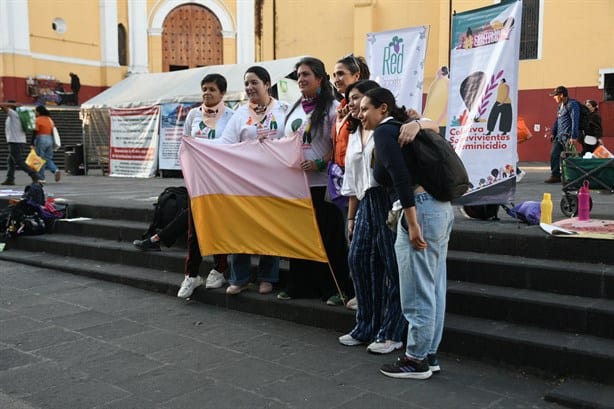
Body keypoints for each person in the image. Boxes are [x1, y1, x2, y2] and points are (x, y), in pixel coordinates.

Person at [361, 87, 454, 379]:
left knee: (417, 289)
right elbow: (432, 125)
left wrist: (412, 223)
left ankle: (415, 360)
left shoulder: (385, 133)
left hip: (419, 209)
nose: (361, 114)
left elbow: (401, 177)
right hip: (439, 208)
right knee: (434, 285)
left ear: (383, 109)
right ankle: (429, 354)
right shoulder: (404, 128)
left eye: (366, 109)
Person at [133, 74, 234, 297]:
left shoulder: (231, 117)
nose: (207, 93)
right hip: (197, 182)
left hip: (220, 183)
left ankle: (219, 269)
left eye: (212, 90)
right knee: (194, 229)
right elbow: (186, 145)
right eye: (204, 89)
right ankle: (191, 275)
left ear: (222, 93)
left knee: (218, 226)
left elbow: (233, 149)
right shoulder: (193, 115)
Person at [337, 80, 406, 355]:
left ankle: (392, 332)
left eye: (357, 98)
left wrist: (416, 124)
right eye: (350, 99)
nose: (352, 104)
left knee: (393, 267)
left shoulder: (390, 127)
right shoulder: (355, 132)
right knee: (359, 261)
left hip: (388, 200)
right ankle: (366, 325)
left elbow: (424, 124)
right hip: (365, 202)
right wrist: (351, 219)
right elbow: (353, 182)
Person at [279, 57, 354, 306]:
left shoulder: (334, 108)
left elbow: (342, 145)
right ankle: (300, 284)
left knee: (329, 236)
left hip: (324, 184)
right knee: (300, 236)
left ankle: (337, 287)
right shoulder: (293, 108)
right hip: (297, 185)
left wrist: (320, 162)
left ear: (320, 79)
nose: (301, 79)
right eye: (298, 75)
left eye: (306, 75)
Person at [214, 66, 289, 295]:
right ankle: (240, 278)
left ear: (267, 84)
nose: (249, 87)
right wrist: (199, 145)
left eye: (254, 82)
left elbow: (292, 139)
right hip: (244, 183)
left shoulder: (283, 110)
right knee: (241, 229)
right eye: (246, 83)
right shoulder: (239, 113)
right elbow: (226, 144)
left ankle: (268, 276)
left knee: (270, 228)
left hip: (274, 182)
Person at [331, 54, 370, 311]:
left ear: (357, 77)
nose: (336, 79)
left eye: (341, 74)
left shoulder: (366, 106)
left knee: (360, 242)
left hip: (364, 183)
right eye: (334, 75)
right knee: (349, 238)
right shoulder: (342, 107)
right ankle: (354, 290)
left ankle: (365, 293)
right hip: (342, 180)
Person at [545, 86, 580, 184]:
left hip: (568, 137)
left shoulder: (572, 104)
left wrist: (574, 136)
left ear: (561, 95)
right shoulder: (560, 106)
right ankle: (555, 175)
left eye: (555, 95)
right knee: (554, 154)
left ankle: (573, 177)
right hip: (559, 136)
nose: (554, 97)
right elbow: (558, 120)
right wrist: (553, 132)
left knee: (570, 158)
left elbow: (575, 121)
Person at [1, 101, 39, 185]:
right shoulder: (16, 115)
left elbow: (2, 105)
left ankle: (34, 174)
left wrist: (12, 104)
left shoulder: (13, 114)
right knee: (10, 160)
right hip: (18, 140)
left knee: (18, 161)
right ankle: (10, 178)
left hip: (15, 141)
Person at [33, 105, 61, 183]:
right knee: (48, 158)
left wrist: (32, 142)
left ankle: (41, 178)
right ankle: (55, 170)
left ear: (38, 112)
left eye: (36, 111)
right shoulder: (49, 119)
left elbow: (35, 131)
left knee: (40, 159)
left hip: (41, 138)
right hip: (50, 139)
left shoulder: (37, 120)